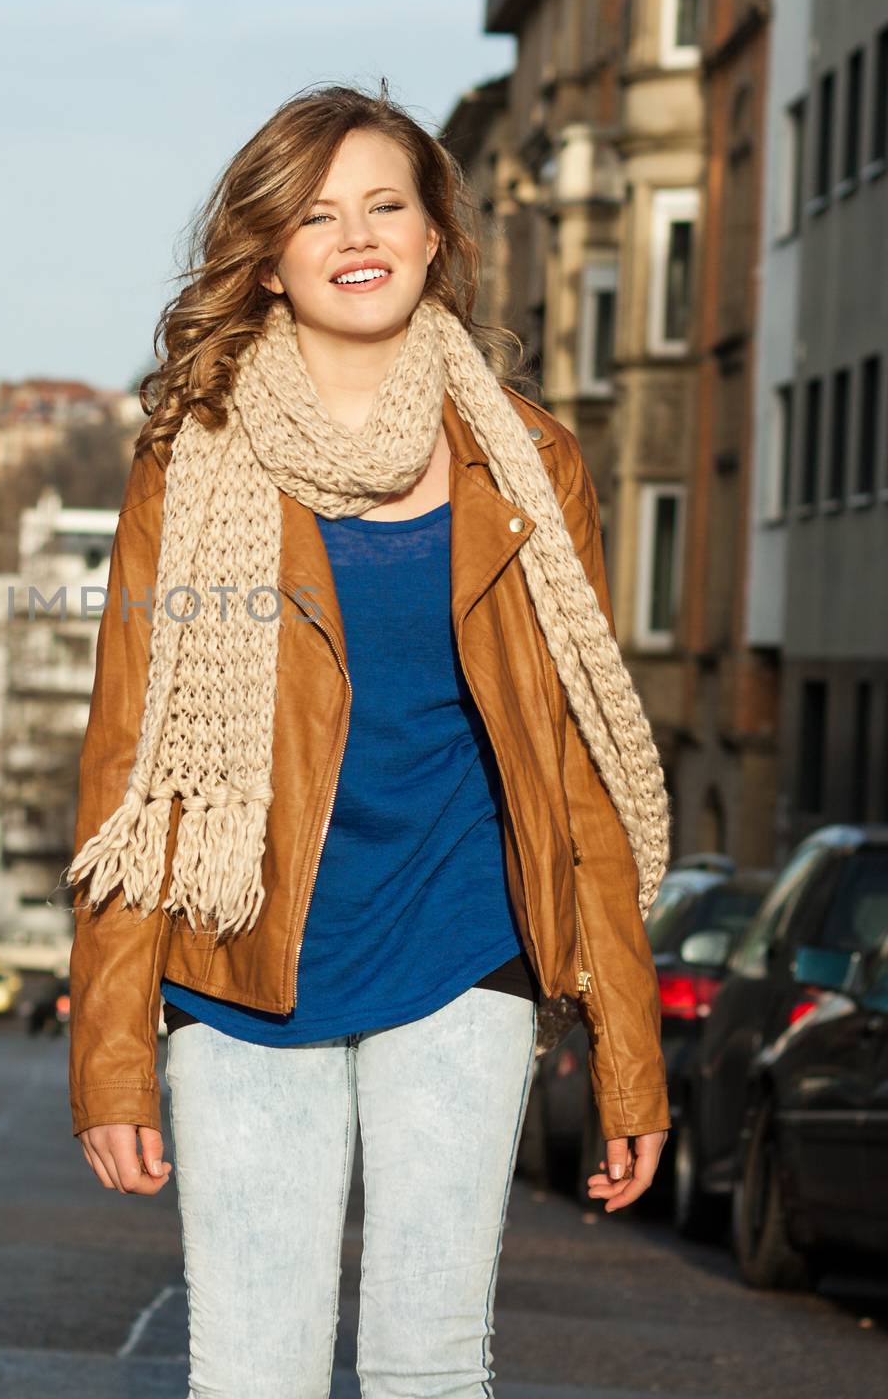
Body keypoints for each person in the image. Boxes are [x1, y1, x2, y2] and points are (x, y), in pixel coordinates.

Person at [60, 82, 672, 1398]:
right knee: (254, 1368)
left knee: (430, 1359)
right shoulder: (190, 464)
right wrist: (112, 1057)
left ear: (437, 237)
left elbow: (576, 772)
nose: (358, 234)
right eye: (318, 212)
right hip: (240, 965)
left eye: (386, 203)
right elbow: (127, 767)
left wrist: (630, 1053)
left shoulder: (530, 466)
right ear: (270, 261)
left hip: (461, 955)